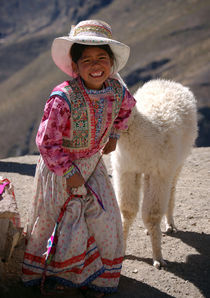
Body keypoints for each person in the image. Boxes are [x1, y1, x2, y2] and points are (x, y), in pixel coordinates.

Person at [22, 19, 136, 297]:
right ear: (75, 66)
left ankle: (97, 278)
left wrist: (114, 136)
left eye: (102, 58)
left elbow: (128, 109)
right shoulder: (63, 99)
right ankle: (59, 276)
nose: (96, 65)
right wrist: (68, 173)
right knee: (61, 223)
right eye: (87, 60)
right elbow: (47, 142)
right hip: (60, 169)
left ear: (111, 62)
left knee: (105, 218)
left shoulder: (116, 91)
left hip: (92, 164)